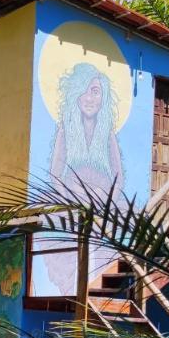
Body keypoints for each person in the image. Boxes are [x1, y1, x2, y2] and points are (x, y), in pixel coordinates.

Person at [44, 62, 125, 296]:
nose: (89, 98)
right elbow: (55, 173)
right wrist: (70, 197)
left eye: (96, 91)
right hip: (73, 200)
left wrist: (108, 200)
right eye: (84, 91)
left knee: (126, 222)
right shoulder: (66, 130)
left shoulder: (107, 132)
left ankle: (100, 286)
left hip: (103, 202)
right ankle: (75, 288)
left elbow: (118, 176)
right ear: (75, 95)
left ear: (103, 98)